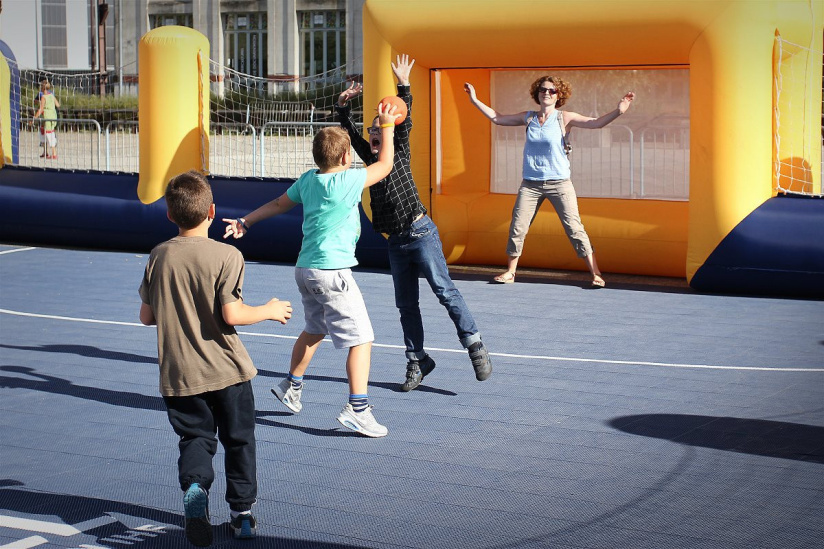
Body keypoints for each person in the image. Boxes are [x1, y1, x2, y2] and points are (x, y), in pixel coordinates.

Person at [223, 103, 399, 438]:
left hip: (305, 270)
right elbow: (385, 164)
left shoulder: (308, 180)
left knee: (315, 329)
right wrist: (387, 126)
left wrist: (246, 221)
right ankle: (358, 409)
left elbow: (278, 204)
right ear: (346, 157)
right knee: (362, 339)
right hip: (332, 273)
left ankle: (291, 386)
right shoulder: (347, 180)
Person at [139, 171, 293, 546]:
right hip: (228, 371)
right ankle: (242, 515)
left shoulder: (159, 255)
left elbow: (146, 316)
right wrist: (270, 310)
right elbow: (232, 314)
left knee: (195, 438)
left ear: (169, 215)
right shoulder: (228, 255)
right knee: (239, 441)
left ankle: (195, 487)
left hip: (180, 375)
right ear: (211, 211)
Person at [335, 54, 493, 392]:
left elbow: (403, 122)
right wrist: (343, 106)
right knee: (406, 305)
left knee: (444, 290)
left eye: (380, 128)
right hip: (395, 241)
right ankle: (417, 359)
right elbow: (348, 131)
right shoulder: (370, 160)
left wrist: (404, 86)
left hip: (420, 232)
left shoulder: (399, 152)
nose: (375, 133)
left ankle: (474, 343)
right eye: (371, 131)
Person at [464, 76, 635, 288]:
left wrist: (619, 110)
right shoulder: (529, 117)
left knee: (574, 228)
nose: (547, 93)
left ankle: (596, 273)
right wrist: (474, 100)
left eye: (552, 90)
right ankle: (510, 272)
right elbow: (498, 118)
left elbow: (596, 123)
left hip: (559, 184)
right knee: (518, 227)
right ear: (537, 93)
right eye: (543, 89)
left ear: (558, 95)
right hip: (530, 184)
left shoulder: (564, 118)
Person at [33, 79, 60, 160]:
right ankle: (45, 152)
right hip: (53, 116)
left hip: (47, 117)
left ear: (43, 88)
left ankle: (54, 153)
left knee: (49, 134)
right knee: (43, 132)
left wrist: (35, 117)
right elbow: (58, 105)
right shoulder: (51, 95)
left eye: (41, 86)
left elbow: (41, 109)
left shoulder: (43, 97)